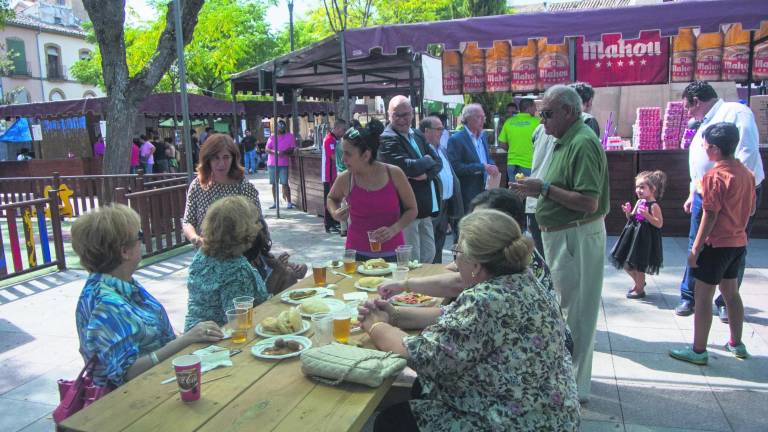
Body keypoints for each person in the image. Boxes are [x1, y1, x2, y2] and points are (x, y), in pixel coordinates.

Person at [361, 209, 580, 431]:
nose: (454, 260)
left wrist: (375, 325)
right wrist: (395, 315)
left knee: (392, 421)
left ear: (476, 265)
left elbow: (422, 356)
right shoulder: (524, 281)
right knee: (421, 389)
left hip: (516, 421)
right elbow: (451, 319)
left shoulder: (485, 300)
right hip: (550, 411)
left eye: (457, 252)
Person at [510, 84, 609, 402]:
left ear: (569, 111)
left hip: (576, 235)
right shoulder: (564, 138)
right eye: (541, 114)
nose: (542, 121)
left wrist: (545, 190)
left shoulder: (582, 142)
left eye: (548, 114)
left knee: (578, 314)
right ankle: (569, 378)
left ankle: (576, 388)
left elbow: (588, 202)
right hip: (563, 235)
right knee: (567, 310)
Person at [72, 204, 224, 388]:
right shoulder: (105, 304)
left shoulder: (121, 282)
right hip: (137, 400)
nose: (143, 242)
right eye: (140, 236)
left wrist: (182, 337)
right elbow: (127, 373)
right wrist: (186, 339)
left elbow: (147, 330)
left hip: (161, 382)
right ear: (124, 251)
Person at [674, 81, 764, 320]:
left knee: (732, 244)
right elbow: (696, 163)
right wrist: (694, 190)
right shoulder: (703, 124)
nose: (688, 113)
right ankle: (689, 294)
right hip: (705, 191)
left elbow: (747, 152)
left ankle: (724, 298)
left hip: (732, 194)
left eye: (688, 107)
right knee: (698, 238)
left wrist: (732, 191)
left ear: (697, 101)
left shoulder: (736, 112)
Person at [670, 123, 757, 365]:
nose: (703, 148)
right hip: (738, 243)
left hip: (715, 245)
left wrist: (695, 250)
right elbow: (750, 210)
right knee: (731, 293)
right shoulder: (747, 174)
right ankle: (736, 343)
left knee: (703, 297)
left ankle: (698, 350)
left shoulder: (714, 177)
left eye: (706, 145)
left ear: (716, 149)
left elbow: (709, 215)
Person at [380, 188, 553, 301]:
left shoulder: (489, 294)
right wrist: (405, 285)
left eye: (481, 222)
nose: (473, 227)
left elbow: (459, 284)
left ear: (508, 223)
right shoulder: (513, 249)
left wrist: (387, 318)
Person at [327, 119, 417, 262]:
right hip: (356, 256)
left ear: (366, 155)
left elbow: (412, 209)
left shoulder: (394, 173)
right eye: (342, 153)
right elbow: (332, 198)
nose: (343, 159)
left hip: (393, 254)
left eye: (348, 154)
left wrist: (394, 229)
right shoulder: (346, 178)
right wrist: (335, 213)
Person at [184, 196, 268, 331]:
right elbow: (238, 324)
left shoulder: (202, 255)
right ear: (244, 230)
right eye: (254, 222)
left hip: (192, 335)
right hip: (217, 344)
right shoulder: (236, 270)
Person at [379, 96, 442, 263]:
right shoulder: (387, 138)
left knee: (429, 254)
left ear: (412, 114)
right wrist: (427, 161)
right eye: (396, 115)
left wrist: (426, 174)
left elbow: (439, 163)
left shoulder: (417, 134)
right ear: (388, 115)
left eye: (405, 114)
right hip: (405, 210)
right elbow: (407, 167)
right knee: (412, 259)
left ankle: (422, 288)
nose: (401, 119)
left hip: (425, 207)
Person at [610, 171, 667, 299]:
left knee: (639, 265)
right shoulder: (639, 202)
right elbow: (632, 218)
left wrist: (648, 216)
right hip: (634, 237)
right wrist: (628, 212)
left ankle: (639, 289)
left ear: (652, 189)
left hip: (646, 240)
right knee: (625, 263)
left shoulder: (654, 206)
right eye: (637, 187)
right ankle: (639, 283)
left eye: (642, 187)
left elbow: (659, 224)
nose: (638, 190)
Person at [420, 115, 462, 264]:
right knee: (429, 247)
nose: (442, 132)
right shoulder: (422, 152)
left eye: (442, 129)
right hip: (433, 206)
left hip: (445, 205)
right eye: (438, 129)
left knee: (439, 243)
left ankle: (435, 274)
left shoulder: (442, 150)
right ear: (426, 131)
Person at [447, 103, 498, 221]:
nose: (482, 120)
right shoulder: (456, 139)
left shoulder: (483, 136)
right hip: (468, 191)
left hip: (485, 188)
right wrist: (481, 167)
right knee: (469, 225)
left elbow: (486, 158)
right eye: (478, 117)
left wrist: (492, 165)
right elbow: (456, 168)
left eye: (483, 117)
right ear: (467, 118)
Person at [524, 116, 557, 260]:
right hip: (545, 200)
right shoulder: (583, 123)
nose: (542, 120)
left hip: (537, 200)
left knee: (543, 258)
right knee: (546, 258)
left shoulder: (538, 130)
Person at [498, 97, 540, 180]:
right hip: (529, 165)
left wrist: (513, 150)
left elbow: (502, 144)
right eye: (534, 107)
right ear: (529, 108)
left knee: (514, 191)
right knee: (528, 191)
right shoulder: (537, 122)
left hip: (512, 165)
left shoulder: (509, 122)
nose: (536, 109)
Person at [265, 120, 296, 209]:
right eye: (279, 126)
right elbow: (267, 149)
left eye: (282, 127)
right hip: (272, 163)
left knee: (285, 183)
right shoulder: (272, 137)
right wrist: (275, 152)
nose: (280, 128)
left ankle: (289, 203)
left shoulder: (290, 136)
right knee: (274, 184)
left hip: (283, 164)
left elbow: (292, 148)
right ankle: (275, 203)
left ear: (284, 127)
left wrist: (283, 152)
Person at [323, 119, 346, 234]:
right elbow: (332, 156)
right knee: (329, 198)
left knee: (336, 199)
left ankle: (335, 221)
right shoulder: (329, 140)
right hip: (328, 175)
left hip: (334, 174)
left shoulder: (335, 140)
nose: (343, 132)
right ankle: (328, 223)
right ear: (336, 128)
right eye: (342, 130)